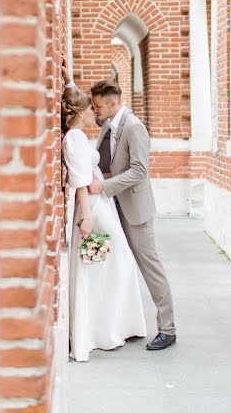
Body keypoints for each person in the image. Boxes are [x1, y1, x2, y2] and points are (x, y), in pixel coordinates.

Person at [63, 58, 177, 351]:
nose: (95, 112)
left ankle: (168, 328)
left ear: (112, 105)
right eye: (93, 108)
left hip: (135, 210)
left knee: (149, 266)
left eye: (98, 107)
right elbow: (80, 112)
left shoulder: (134, 127)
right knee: (118, 266)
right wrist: (68, 82)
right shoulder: (107, 126)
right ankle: (121, 322)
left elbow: (140, 170)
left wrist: (104, 186)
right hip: (111, 207)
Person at [62, 87, 147, 362]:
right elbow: (79, 182)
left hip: (102, 203)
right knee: (113, 263)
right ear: (78, 112)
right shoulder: (74, 138)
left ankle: (114, 324)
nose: (93, 113)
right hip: (94, 208)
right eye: (89, 109)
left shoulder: (78, 135)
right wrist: (87, 215)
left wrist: (67, 80)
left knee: (112, 265)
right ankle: (100, 329)